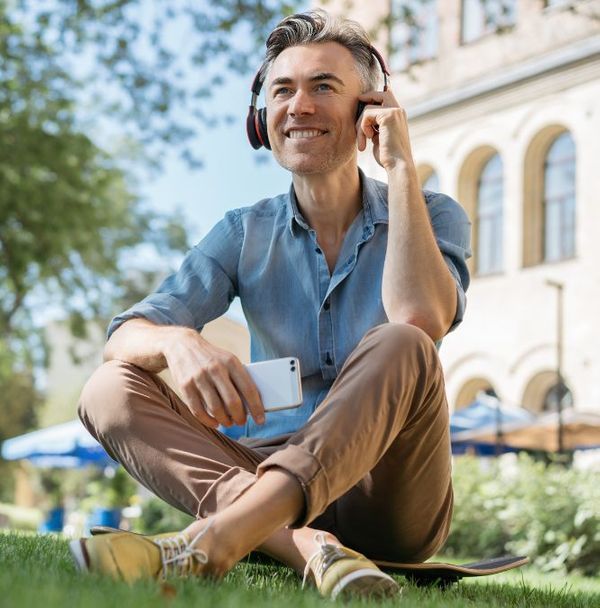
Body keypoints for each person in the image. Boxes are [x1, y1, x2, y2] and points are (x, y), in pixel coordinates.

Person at [70, 9, 471, 600]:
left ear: (371, 111)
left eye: (324, 87)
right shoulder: (242, 233)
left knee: (400, 339)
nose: (299, 106)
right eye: (283, 90)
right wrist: (177, 341)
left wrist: (401, 165)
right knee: (107, 388)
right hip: (261, 471)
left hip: (389, 496)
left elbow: (419, 318)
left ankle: (220, 539)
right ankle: (306, 546)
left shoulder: (431, 212)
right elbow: (124, 334)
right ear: (262, 120)